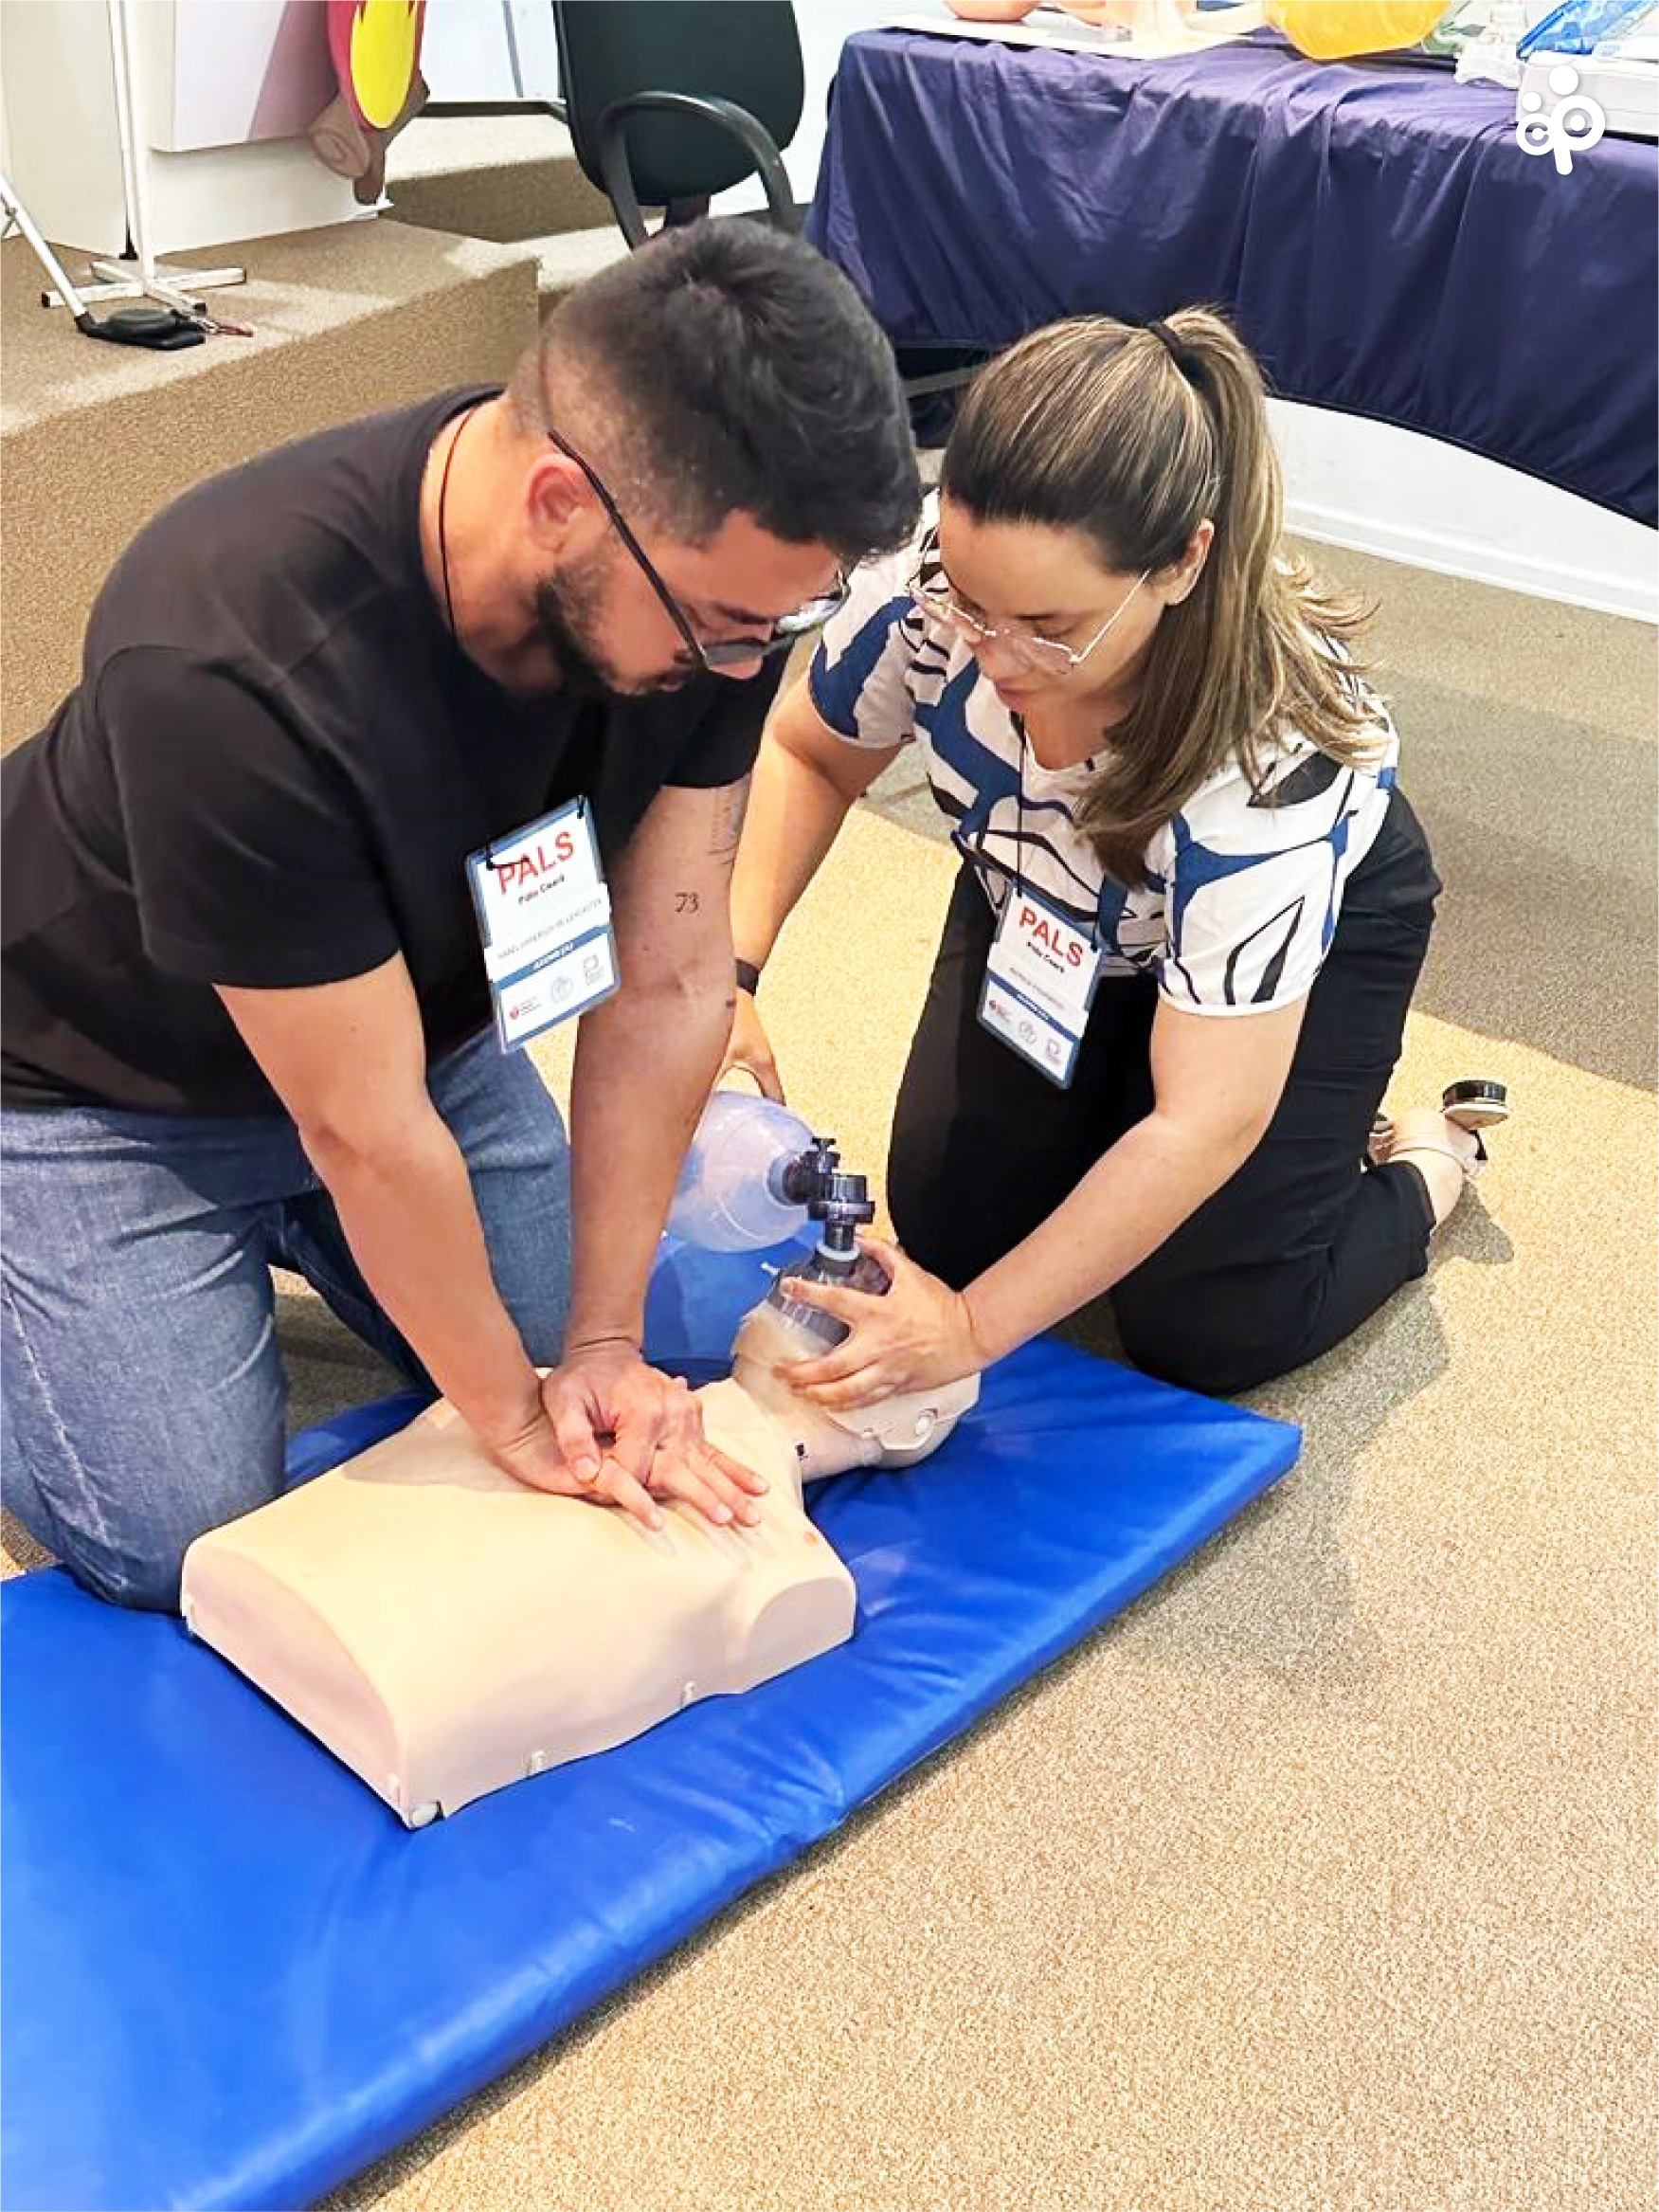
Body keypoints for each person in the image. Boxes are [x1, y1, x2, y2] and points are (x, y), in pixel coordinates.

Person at [0, 220, 922, 1610]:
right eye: (725, 625)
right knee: (177, 1534)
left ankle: (312, 1254)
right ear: (559, 502)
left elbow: (671, 982)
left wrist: (598, 1341)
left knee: (573, 1351)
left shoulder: (701, 585)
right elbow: (361, 1133)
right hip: (96, 1086)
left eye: (772, 628)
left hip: (421, 1033)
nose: (744, 667)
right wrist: (505, 1417)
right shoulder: (229, 660)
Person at [723, 309, 1508, 1409]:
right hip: (1044, 894)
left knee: (1209, 1324)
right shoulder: (930, 578)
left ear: (1182, 561)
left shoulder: (1269, 760)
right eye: (972, 606)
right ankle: (1154, 1083)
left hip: (1310, 928)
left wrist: (968, 1330)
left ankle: (1427, 1160)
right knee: (954, 1226)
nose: (993, 654)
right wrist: (730, 976)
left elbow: (1202, 1122)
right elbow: (809, 751)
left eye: (1048, 624)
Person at [181, 1264, 981, 1822]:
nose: (807, 1306)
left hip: (333, 1639)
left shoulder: (786, 1557)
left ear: (905, 1425)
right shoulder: (784, 1556)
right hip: (326, 1623)